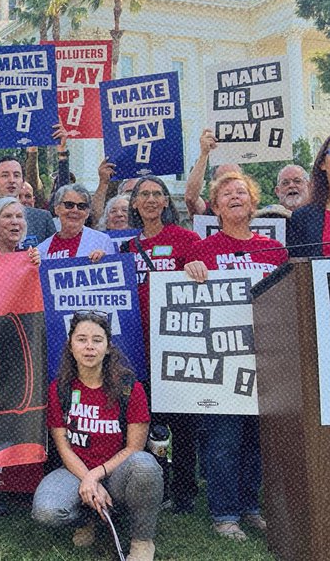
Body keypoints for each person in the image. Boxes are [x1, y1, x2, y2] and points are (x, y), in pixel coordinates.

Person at [183, 172, 287, 541]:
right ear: (214, 206)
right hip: (223, 360)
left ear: (252, 202)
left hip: (267, 357)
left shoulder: (274, 250)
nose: (234, 197)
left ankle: (250, 506)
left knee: (257, 438)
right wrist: (189, 270)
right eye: (226, 193)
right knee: (223, 438)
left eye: (241, 192)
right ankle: (224, 513)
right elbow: (186, 294)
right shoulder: (203, 249)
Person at [32, 312, 161, 561]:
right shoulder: (59, 389)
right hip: (74, 470)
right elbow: (64, 448)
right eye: (81, 339)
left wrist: (96, 475)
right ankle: (88, 517)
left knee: (146, 467)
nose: (89, 346)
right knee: (46, 511)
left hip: (118, 472)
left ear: (108, 347)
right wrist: (87, 479)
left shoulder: (129, 388)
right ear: (70, 346)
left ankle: (142, 539)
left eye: (97, 340)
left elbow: (134, 448)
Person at [124, 177, 202, 514]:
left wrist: (198, 267)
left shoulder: (186, 239)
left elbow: (204, 281)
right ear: (135, 204)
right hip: (138, 352)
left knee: (182, 426)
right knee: (149, 425)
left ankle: (184, 493)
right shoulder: (126, 247)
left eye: (158, 194)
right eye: (145, 195)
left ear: (167, 202)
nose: (152, 200)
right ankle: (154, 489)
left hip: (176, 347)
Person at [36, 184, 115, 261]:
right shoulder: (41, 250)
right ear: (57, 208)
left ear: (87, 213)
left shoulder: (102, 241)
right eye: (69, 205)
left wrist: (105, 260)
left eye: (81, 206)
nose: (75, 210)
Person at [183, 129, 242, 217]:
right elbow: (191, 198)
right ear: (214, 187)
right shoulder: (208, 212)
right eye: (225, 181)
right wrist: (204, 154)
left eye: (236, 179)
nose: (231, 185)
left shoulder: (255, 216)